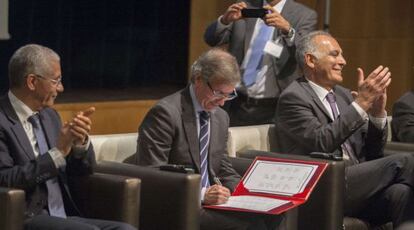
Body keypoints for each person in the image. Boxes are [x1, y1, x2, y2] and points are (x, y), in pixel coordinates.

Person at [275, 31, 414, 227]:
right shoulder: (293, 98)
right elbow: (322, 143)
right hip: (324, 184)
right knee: (406, 162)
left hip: (357, 179)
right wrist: (361, 103)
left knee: (402, 193)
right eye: (335, 54)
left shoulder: (343, 95)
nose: (343, 61)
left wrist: (376, 113)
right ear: (311, 60)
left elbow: (373, 151)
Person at [135, 48, 281, 230]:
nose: (222, 102)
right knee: (252, 226)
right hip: (178, 204)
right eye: (219, 93)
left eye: (229, 95)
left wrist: (248, 193)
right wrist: (202, 194)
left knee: (275, 214)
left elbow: (221, 165)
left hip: (213, 202)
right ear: (198, 79)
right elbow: (151, 172)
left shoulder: (220, 116)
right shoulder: (165, 113)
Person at [0, 44, 135, 230]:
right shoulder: (2, 120)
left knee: (125, 229)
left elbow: (81, 173)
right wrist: (58, 152)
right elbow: (5, 179)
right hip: (24, 217)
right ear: (32, 82)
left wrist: (79, 145)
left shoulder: (50, 116)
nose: (61, 88)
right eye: (56, 80)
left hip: (64, 213)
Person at [204, 0, 317, 126]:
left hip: (275, 109)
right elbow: (211, 39)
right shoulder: (247, 7)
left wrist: (288, 30)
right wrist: (224, 20)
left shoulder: (304, 15)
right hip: (235, 104)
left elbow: (305, 54)